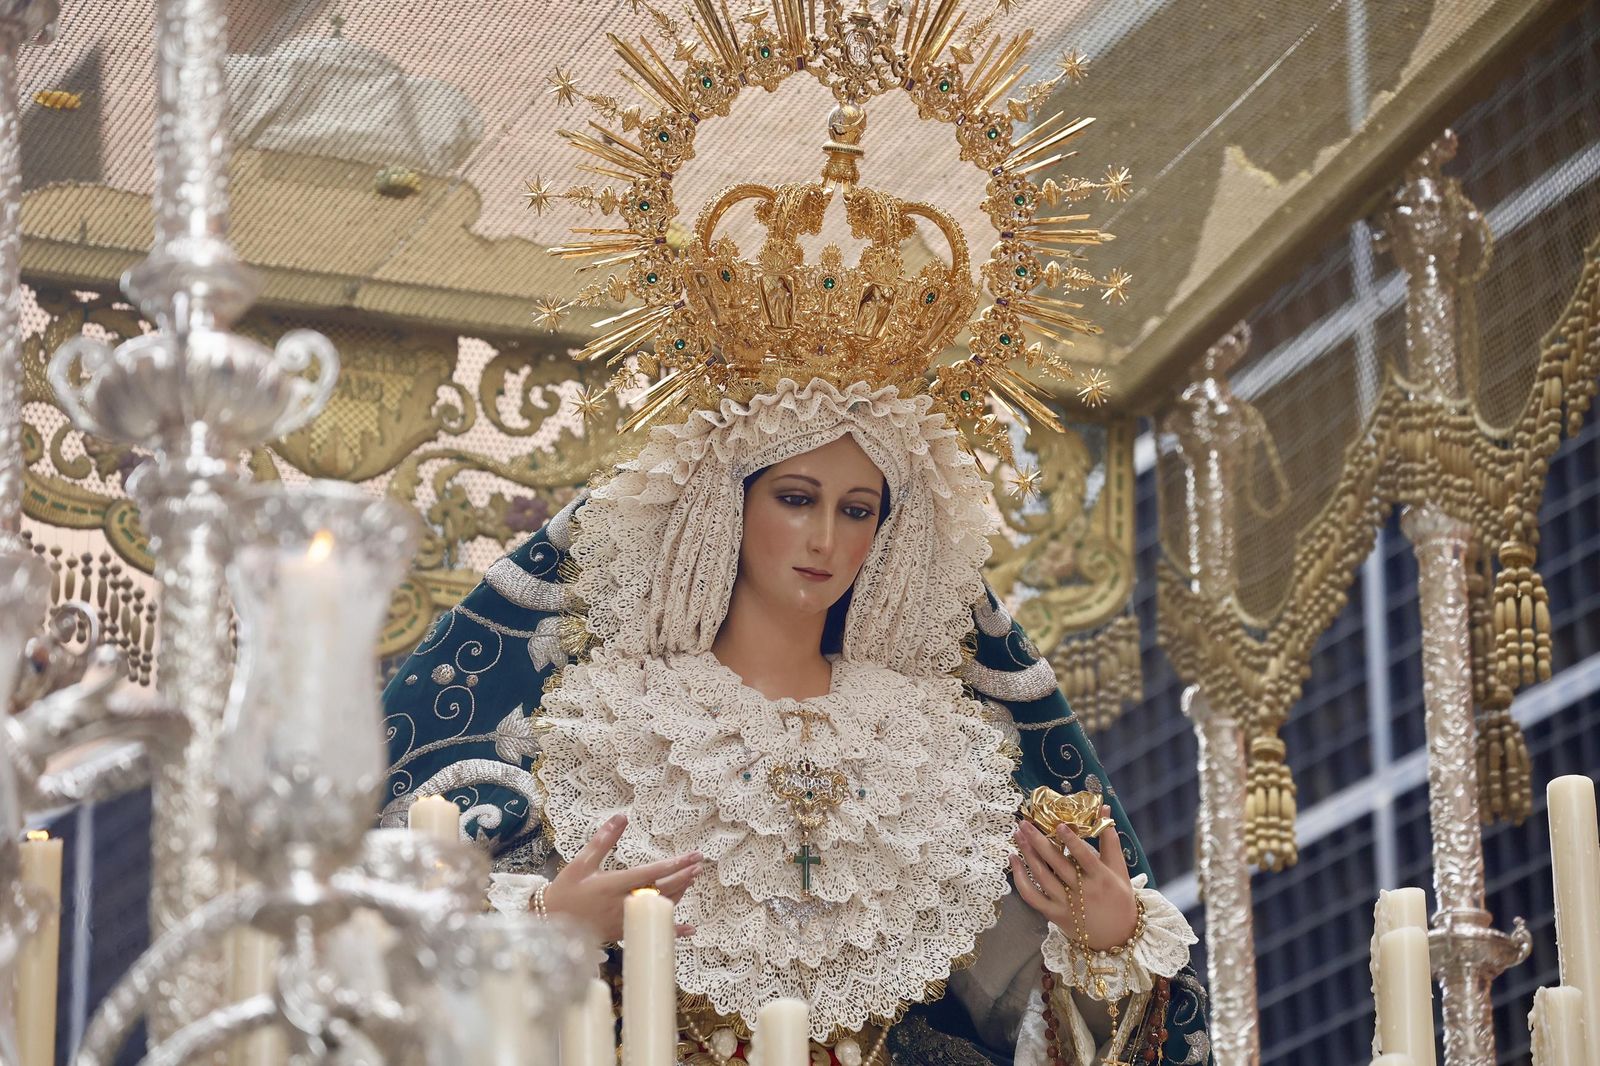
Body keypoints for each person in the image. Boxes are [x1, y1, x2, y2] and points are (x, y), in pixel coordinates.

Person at [381, 5, 1210, 1061]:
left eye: (857, 508)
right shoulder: (612, 717)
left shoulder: (934, 750)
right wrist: (548, 929)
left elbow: (1020, 1025)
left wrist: (1103, 947)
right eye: (793, 496)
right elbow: (380, 932)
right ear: (727, 504)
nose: (824, 534)